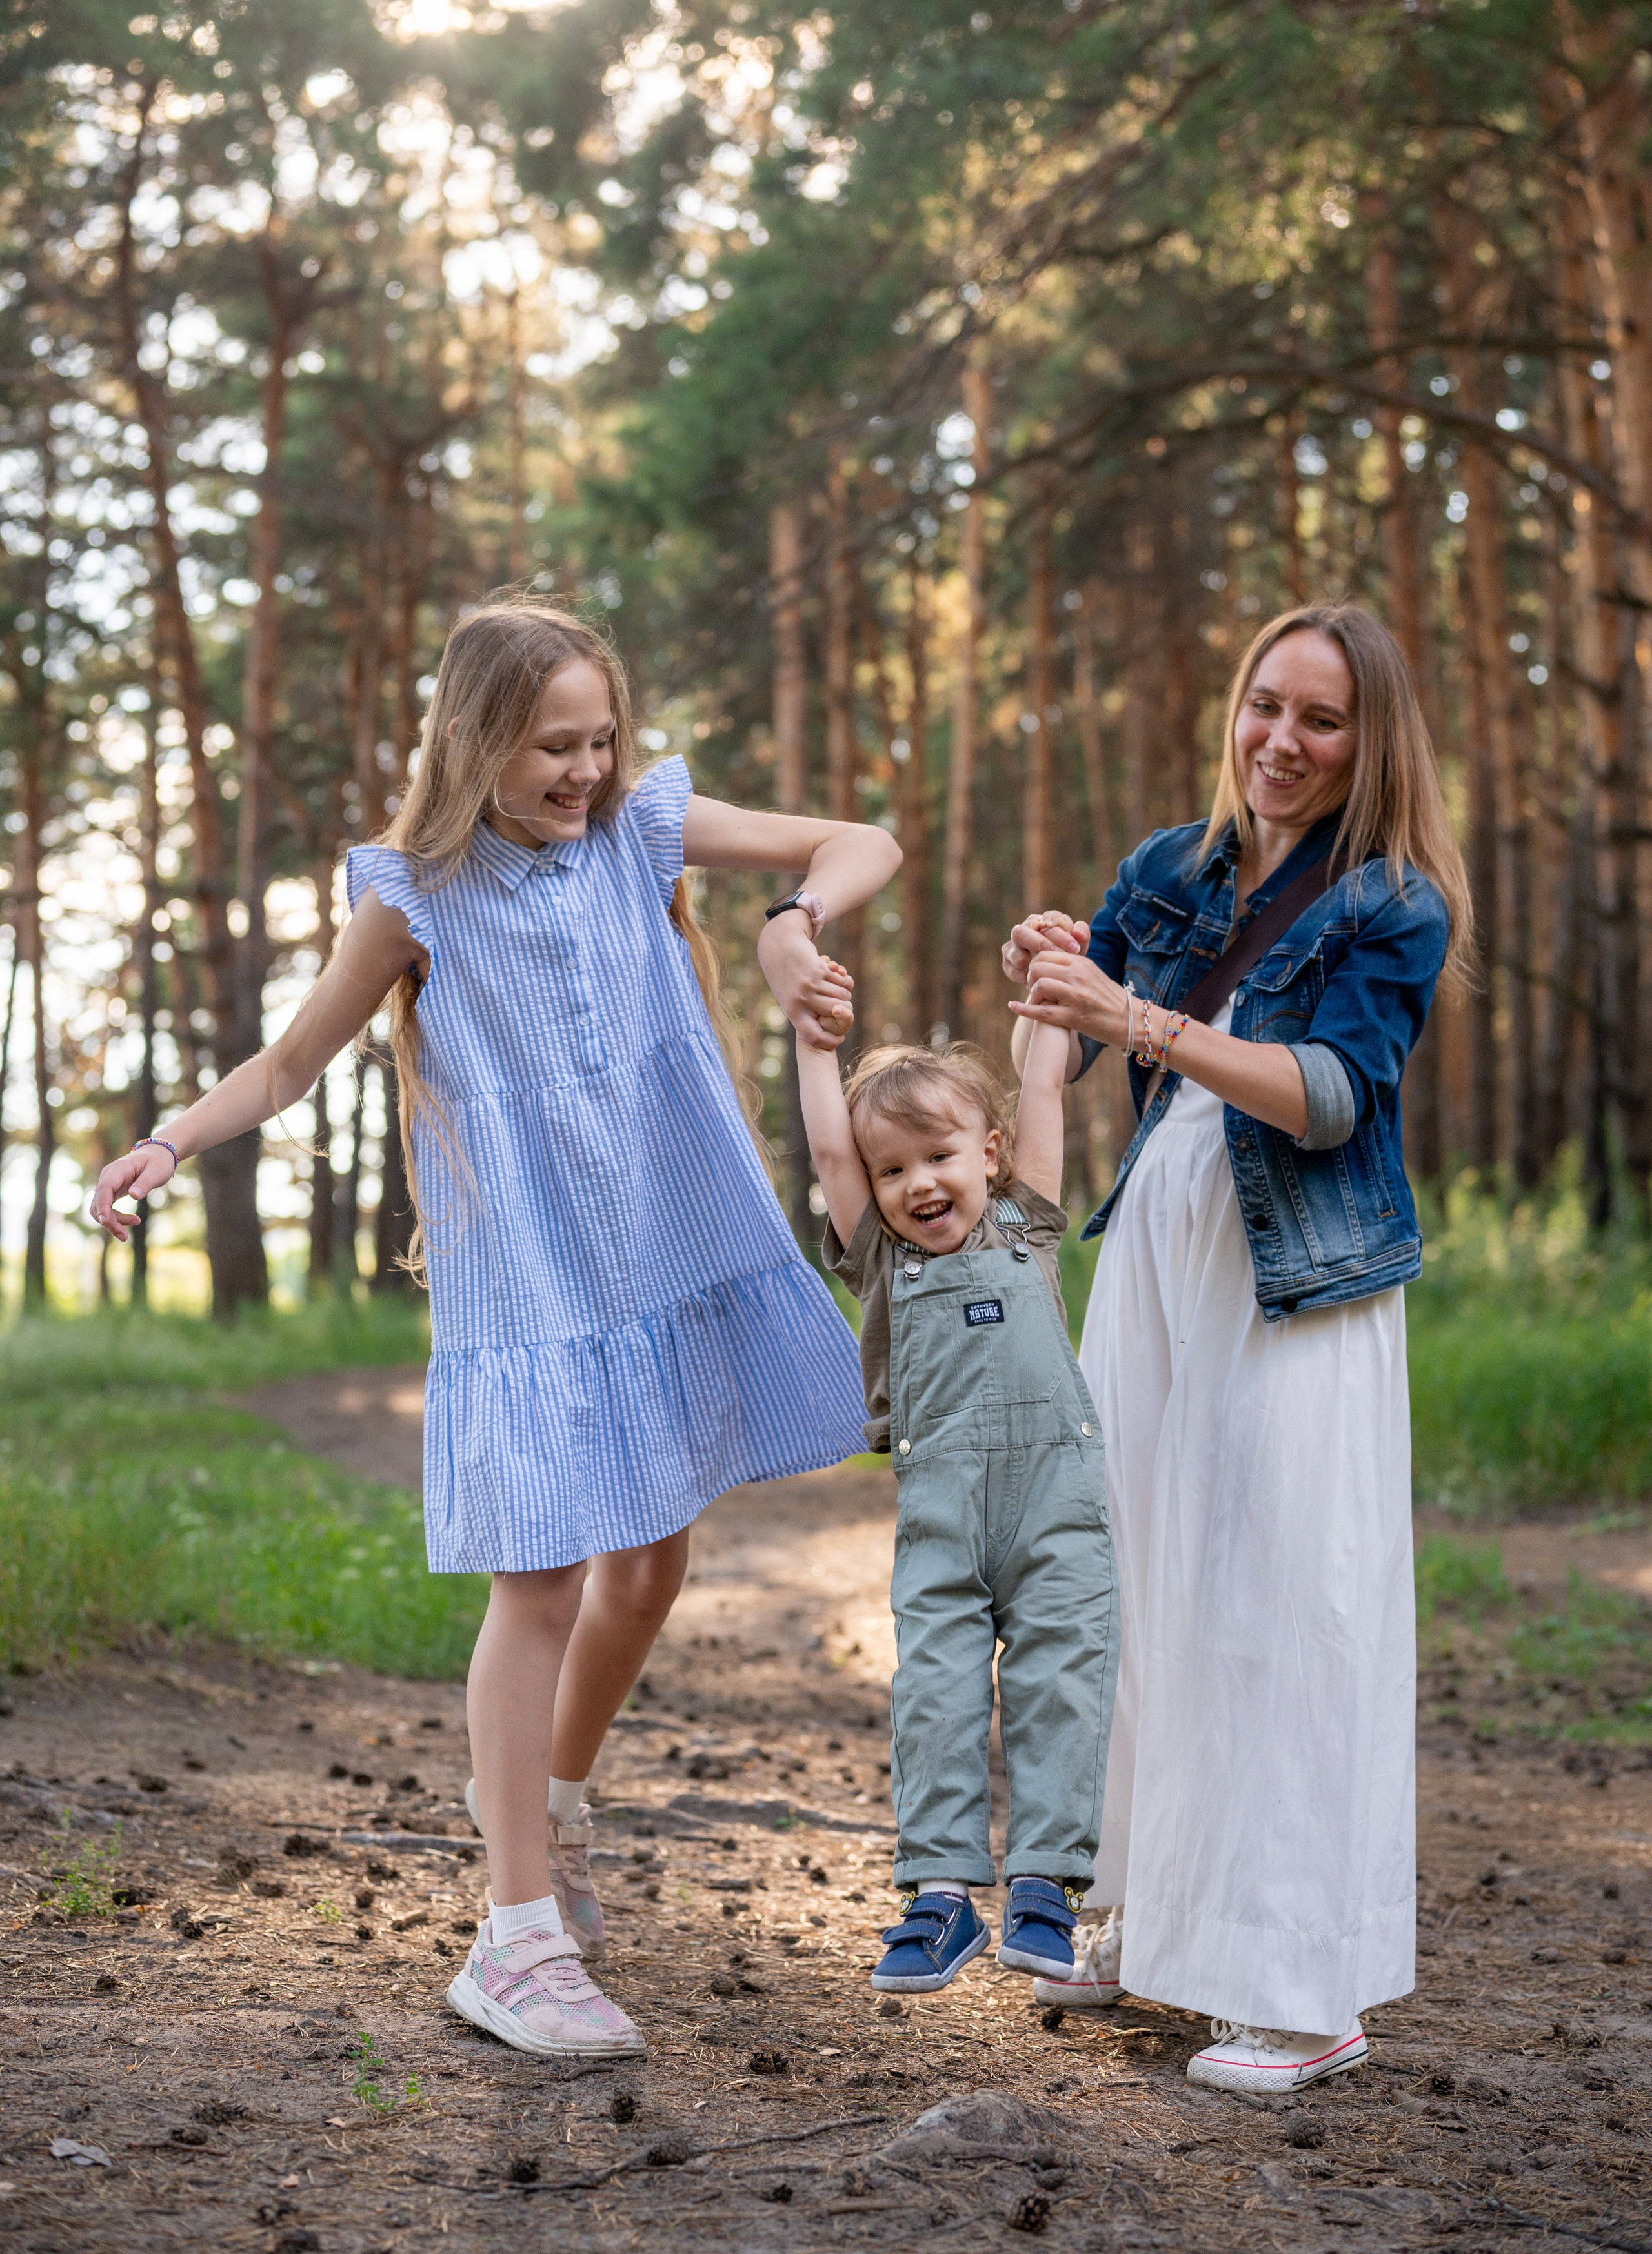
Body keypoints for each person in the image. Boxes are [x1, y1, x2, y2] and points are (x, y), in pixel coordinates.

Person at [92, 596, 901, 2062]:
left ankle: (556, 1809)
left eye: (599, 738)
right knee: (538, 1582)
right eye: (552, 746)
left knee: (652, 1559)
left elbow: (859, 842)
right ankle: (515, 1935)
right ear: (476, 739)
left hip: (665, 1237)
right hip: (532, 1275)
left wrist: (792, 929)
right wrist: (169, 1141)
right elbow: (287, 1059)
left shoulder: (641, 833)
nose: (584, 770)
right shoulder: (416, 895)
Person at [1002, 603, 1471, 2096]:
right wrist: (1047, 978)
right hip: (1153, 1257)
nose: (1279, 741)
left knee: (1278, 1605)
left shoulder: (1392, 901)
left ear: (1367, 738)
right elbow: (1067, 1050)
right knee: (1133, 1581)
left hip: (1298, 1286)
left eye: (1319, 720)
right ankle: (1146, 1924)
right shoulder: (1168, 866)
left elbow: (1328, 1097)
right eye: (1263, 704)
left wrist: (1135, 1013)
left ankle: (1300, 1988)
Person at [792, 1005, 1119, 1997]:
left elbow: (1046, 1088)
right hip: (942, 1508)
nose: (916, 1185)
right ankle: (939, 1894)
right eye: (890, 1172)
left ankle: (1046, 1888)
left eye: (936, 1157)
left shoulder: (1028, 1218)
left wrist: (1052, 1001)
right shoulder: (884, 1263)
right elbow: (824, 1147)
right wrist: (813, 1044)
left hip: (1055, 1500)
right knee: (934, 1689)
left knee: (1063, 1677)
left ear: (990, 1152)